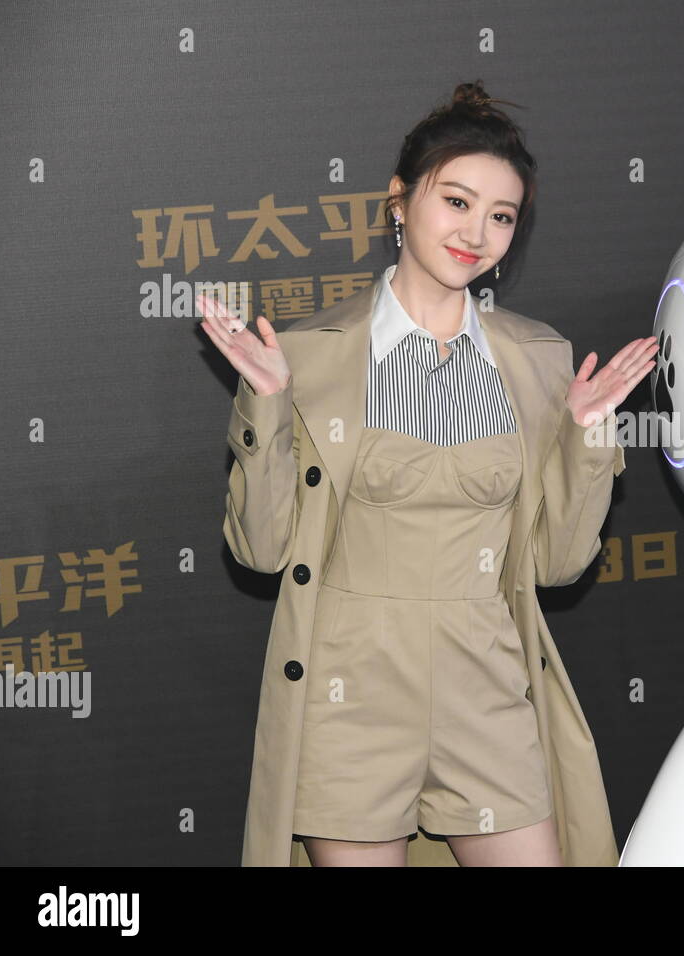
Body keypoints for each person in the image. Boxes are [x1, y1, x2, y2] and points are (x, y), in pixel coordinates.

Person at [199, 80, 656, 866]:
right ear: (400, 202)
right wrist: (267, 405)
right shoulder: (308, 357)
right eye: (456, 201)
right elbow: (261, 551)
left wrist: (586, 438)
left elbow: (557, 565)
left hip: (489, 686)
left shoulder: (541, 361)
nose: (476, 232)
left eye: (502, 215)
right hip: (352, 695)